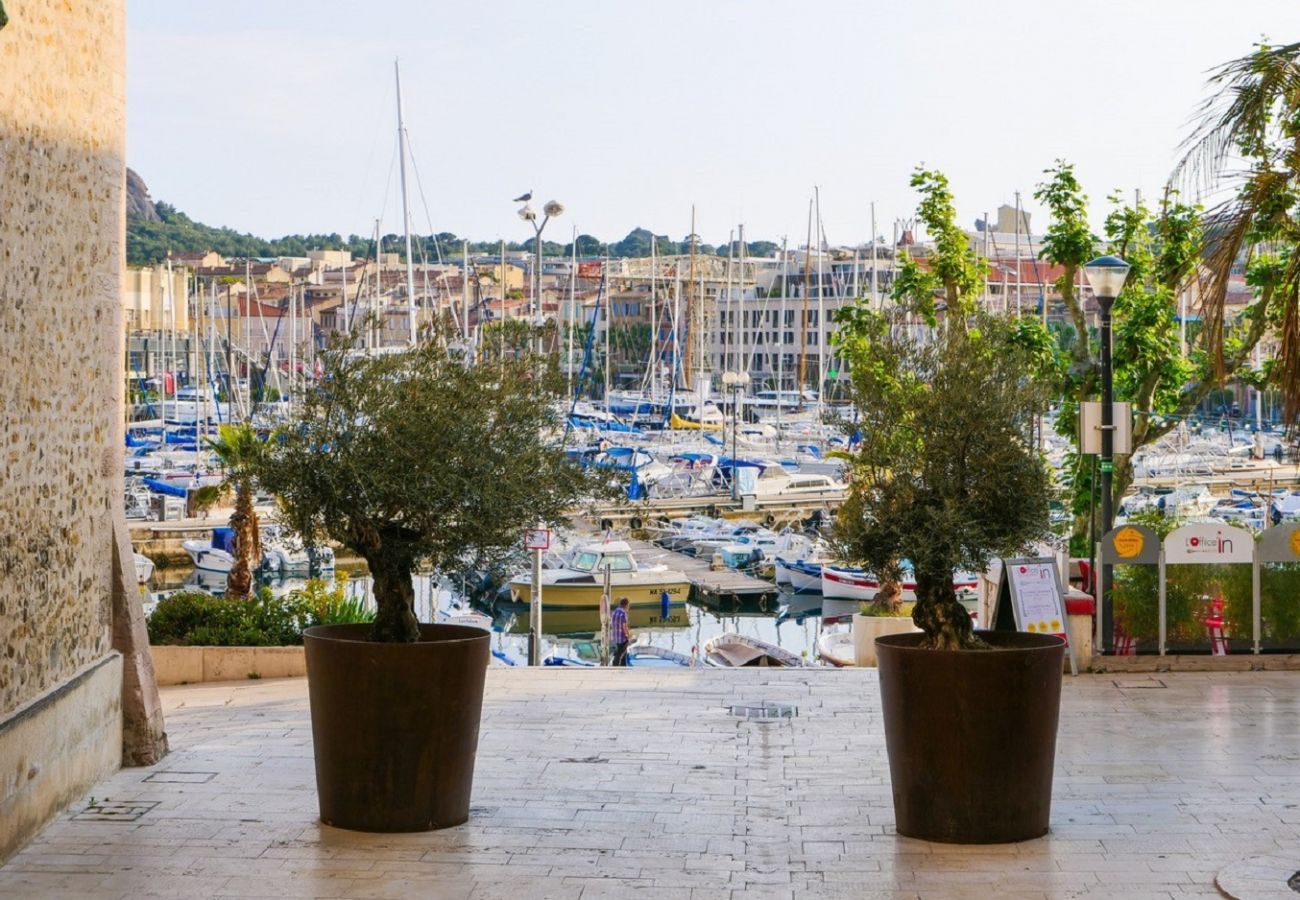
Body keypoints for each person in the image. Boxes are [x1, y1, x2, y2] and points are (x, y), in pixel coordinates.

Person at [611, 597, 631, 666]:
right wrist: (628, 636)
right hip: (622, 638)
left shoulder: (614, 612)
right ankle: (615, 667)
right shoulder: (623, 613)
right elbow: (624, 627)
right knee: (619, 654)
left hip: (615, 637)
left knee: (623, 653)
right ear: (626, 605)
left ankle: (623, 666)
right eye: (628, 605)